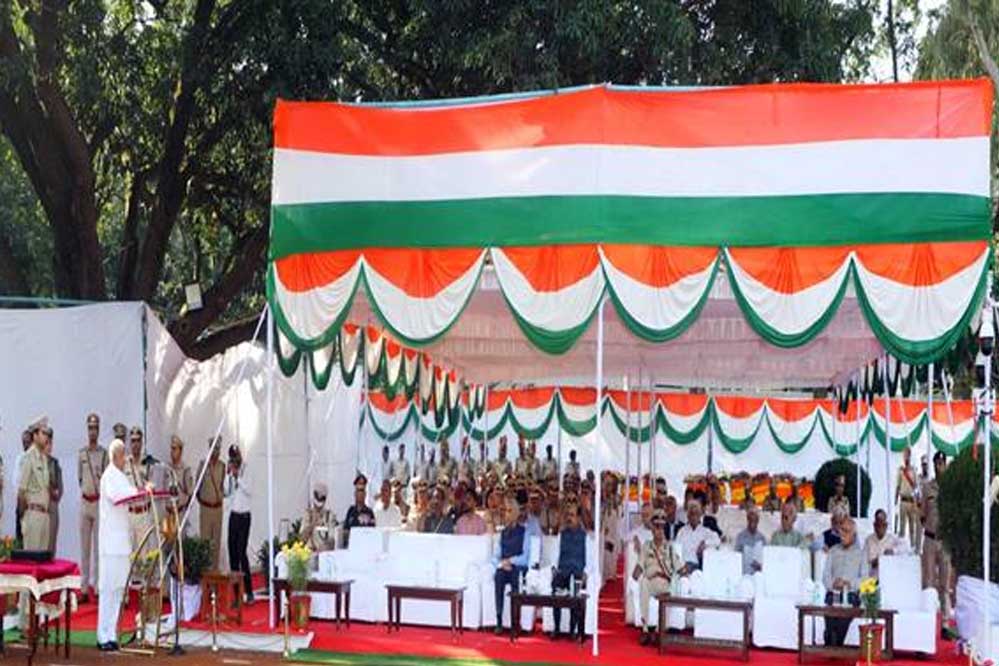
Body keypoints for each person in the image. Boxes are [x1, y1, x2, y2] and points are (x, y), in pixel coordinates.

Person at [97, 438, 140, 652]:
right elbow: (117, 497)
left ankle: (112, 633)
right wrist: (137, 492)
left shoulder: (122, 476)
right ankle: (102, 634)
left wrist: (141, 491)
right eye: (123, 455)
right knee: (107, 590)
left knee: (119, 590)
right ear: (116, 456)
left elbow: (131, 494)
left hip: (122, 543)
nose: (126, 459)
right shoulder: (109, 476)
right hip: (110, 545)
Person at [636, 509, 685, 645]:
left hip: (664, 583)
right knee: (643, 583)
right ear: (652, 529)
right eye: (656, 527)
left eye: (662, 527)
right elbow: (639, 567)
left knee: (669, 591)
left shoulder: (670, 548)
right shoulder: (646, 546)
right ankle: (645, 629)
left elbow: (680, 568)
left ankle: (659, 631)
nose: (659, 530)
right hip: (650, 582)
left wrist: (682, 575)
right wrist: (633, 578)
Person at [822, 518, 868, 646]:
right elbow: (825, 576)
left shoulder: (861, 554)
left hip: (851, 595)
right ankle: (831, 640)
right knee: (830, 615)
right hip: (834, 593)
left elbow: (865, 579)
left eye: (846, 531)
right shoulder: (833, 551)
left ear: (854, 535)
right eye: (841, 531)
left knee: (843, 619)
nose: (842, 535)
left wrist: (849, 584)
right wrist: (833, 584)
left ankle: (834, 643)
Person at [78, 413, 107, 602]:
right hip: (85, 502)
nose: (92, 431)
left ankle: (97, 586)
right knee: (84, 548)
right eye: (90, 428)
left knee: (98, 548)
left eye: (95, 428)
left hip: (98, 503)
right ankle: (83, 587)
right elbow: (80, 478)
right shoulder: (82, 453)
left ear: (99, 430)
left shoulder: (104, 454)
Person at [921, 451, 951, 619]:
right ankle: (929, 619)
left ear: (945, 465)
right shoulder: (927, 488)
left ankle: (945, 621)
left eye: (941, 463)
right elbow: (922, 514)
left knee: (945, 585)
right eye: (936, 464)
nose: (938, 467)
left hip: (945, 540)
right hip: (930, 539)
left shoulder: (951, 487)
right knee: (929, 582)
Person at [492, 498, 529, 634]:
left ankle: (515, 623)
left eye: (509, 511)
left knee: (515, 577)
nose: (506, 514)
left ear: (515, 513)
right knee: (498, 576)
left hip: (517, 566)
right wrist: (501, 564)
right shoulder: (502, 533)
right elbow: (495, 556)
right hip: (504, 566)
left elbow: (525, 558)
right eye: (505, 511)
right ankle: (499, 621)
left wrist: (511, 561)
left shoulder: (524, 532)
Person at [551, 503, 586, 639]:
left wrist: (586, 573)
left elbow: (589, 559)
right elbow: (555, 555)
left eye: (572, 515)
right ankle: (557, 627)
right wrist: (554, 568)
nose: (569, 518)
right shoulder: (562, 535)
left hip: (578, 572)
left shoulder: (585, 536)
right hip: (563, 571)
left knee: (576, 590)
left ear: (579, 518)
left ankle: (573, 629)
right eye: (567, 515)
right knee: (556, 585)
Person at [224, 444, 253, 603]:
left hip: (244, 516)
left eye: (236, 457)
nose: (234, 460)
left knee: (242, 553)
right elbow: (226, 492)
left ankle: (249, 591)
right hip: (233, 515)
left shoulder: (247, 469)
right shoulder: (230, 472)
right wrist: (228, 475)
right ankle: (237, 595)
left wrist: (238, 477)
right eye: (232, 457)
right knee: (232, 554)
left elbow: (249, 490)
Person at [18, 417, 51, 550]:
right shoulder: (28, 457)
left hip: (44, 515)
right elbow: (21, 491)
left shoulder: (44, 458)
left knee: (43, 559)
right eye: (43, 433)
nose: (46, 437)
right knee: (31, 559)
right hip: (32, 515)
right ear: (35, 435)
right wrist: (24, 519)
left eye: (47, 433)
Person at [196, 439, 226, 570]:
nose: (216, 452)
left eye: (218, 449)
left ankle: (215, 571)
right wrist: (204, 501)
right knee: (205, 541)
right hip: (206, 508)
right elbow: (197, 487)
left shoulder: (222, 466)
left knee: (216, 542)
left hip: (218, 509)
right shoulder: (203, 465)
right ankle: (205, 571)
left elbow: (223, 486)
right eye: (214, 449)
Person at [124, 427, 151, 557]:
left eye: (138, 441)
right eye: (133, 441)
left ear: (142, 442)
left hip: (144, 512)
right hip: (130, 513)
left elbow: (152, 485)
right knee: (129, 552)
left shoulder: (148, 462)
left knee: (144, 553)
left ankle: (143, 573)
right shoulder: (125, 463)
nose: (135, 444)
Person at [674, 499, 720, 572]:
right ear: (688, 516)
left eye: (696, 513)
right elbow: (676, 549)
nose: (694, 517)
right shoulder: (682, 531)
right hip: (683, 565)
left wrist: (705, 543)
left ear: (700, 515)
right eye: (691, 513)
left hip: (698, 566)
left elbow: (717, 540)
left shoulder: (705, 531)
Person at [162, 436, 193, 529]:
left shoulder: (185, 469)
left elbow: (190, 492)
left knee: (180, 537)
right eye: (171, 449)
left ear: (181, 451)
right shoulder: (166, 468)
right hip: (168, 513)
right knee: (167, 537)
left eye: (175, 449)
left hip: (179, 513)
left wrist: (184, 508)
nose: (172, 452)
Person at [895, 447, 921, 552]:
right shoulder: (901, 470)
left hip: (911, 501)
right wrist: (895, 499)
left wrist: (917, 501)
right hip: (903, 500)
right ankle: (901, 549)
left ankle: (913, 547)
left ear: (910, 456)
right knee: (901, 526)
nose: (906, 457)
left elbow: (916, 486)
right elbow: (898, 485)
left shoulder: (914, 470)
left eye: (907, 455)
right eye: (904, 455)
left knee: (912, 526)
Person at [864, 509, 900, 579]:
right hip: (873, 578)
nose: (880, 528)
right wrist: (877, 561)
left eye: (883, 525)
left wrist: (893, 551)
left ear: (886, 525)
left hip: (889, 578)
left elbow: (906, 549)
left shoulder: (892, 539)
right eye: (878, 525)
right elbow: (864, 563)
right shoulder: (868, 540)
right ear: (874, 525)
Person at [300, 481, 337, 551]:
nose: (318, 507)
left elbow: (332, 539)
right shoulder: (307, 514)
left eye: (320, 505)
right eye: (316, 504)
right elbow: (302, 539)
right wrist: (312, 524)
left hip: (323, 553)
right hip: (309, 552)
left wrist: (326, 546)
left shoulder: (329, 516)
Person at [343, 475, 375, 546]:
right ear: (355, 494)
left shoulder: (369, 512)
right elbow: (345, 531)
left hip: (365, 546)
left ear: (365, 494)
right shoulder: (350, 511)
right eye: (358, 491)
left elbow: (373, 533)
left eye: (362, 491)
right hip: (352, 546)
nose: (360, 494)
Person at [13, 429, 32, 543]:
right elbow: (15, 480)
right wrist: (19, 498)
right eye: (23, 442)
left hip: (31, 504)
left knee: (30, 536)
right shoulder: (19, 458)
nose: (25, 444)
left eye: (27, 442)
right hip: (20, 502)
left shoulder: (35, 458)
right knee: (19, 535)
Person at [734, 505, 766, 574]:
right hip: (743, 573)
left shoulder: (762, 538)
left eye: (755, 520)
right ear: (747, 519)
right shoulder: (740, 537)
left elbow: (765, 559)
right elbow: (735, 557)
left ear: (758, 521)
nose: (752, 522)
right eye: (750, 519)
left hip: (758, 575)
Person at [44, 430, 62, 553]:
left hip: (52, 503)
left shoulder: (55, 463)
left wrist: (56, 494)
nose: (49, 447)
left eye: (50, 443)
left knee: (51, 542)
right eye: (46, 443)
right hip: (41, 504)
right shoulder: (37, 461)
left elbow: (60, 487)